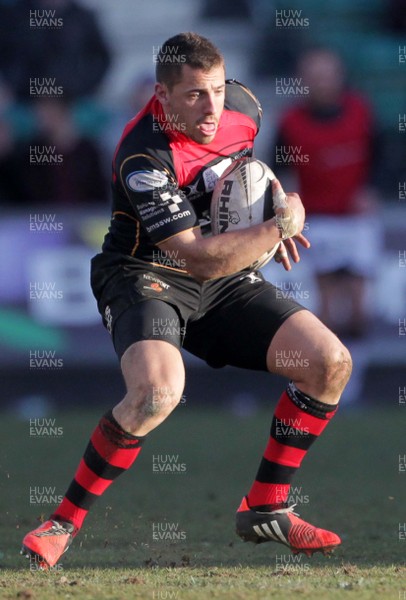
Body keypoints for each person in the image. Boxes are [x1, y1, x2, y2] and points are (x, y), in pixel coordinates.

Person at [21, 33, 352, 569]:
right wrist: (276, 226)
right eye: (195, 94)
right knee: (156, 393)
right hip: (144, 273)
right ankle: (61, 522)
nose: (212, 106)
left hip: (223, 278)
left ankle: (266, 505)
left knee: (329, 364)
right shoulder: (142, 156)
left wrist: (275, 207)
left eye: (218, 90)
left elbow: (243, 179)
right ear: (162, 94)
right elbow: (196, 257)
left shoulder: (244, 110)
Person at [271, 48, 382, 338]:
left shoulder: (361, 111)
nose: (321, 82)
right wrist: (287, 204)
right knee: (326, 313)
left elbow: (384, 156)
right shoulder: (291, 122)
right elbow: (275, 171)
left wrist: (373, 189)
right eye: (314, 76)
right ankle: (330, 379)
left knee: (360, 312)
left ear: (339, 77)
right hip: (315, 223)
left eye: (326, 75)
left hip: (356, 221)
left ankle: (357, 376)